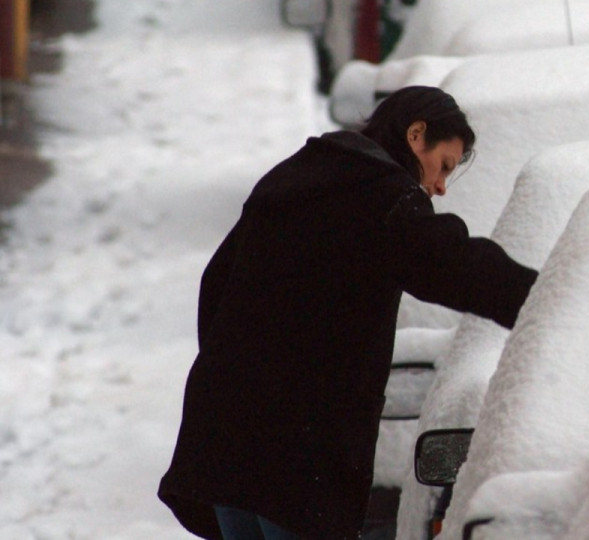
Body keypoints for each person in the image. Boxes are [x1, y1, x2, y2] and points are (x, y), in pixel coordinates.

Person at [158, 86, 538, 539]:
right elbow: (452, 264)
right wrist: (543, 300)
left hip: (225, 440)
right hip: (297, 461)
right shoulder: (380, 195)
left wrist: (239, 375)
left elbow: (216, 286)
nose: (439, 187)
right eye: (443, 167)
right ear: (416, 135)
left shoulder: (293, 176)